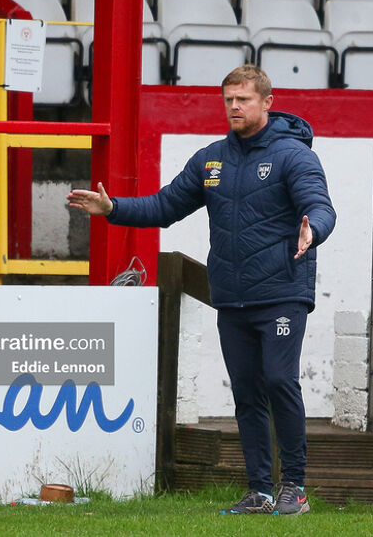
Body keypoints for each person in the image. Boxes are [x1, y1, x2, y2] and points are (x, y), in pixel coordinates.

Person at [67, 65, 336, 516]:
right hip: (231, 296)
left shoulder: (294, 156)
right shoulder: (211, 160)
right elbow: (164, 205)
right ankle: (260, 492)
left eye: (244, 99)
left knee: (278, 379)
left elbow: (319, 206)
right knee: (247, 391)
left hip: (282, 292)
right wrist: (112, 208)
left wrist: (315, 231)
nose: (234, 106)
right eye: (228, 98)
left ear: (267, 103)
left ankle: (295, 487)